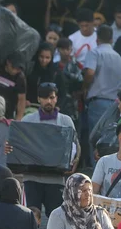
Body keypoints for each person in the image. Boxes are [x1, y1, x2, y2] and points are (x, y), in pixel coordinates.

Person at [21, 83, 80, 217]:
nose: (49, 101)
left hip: (56, 179)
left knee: (56, 219)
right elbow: (20, 146)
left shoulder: (66, 121)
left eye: (51, 97)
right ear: (38, 99)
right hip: (32, 178)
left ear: (56, 98)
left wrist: (74, 163)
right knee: (29, 218)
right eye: (45, 98)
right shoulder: (27, 120)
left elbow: (75, 146)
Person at [83, 24, 121, 150]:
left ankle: (96, 169)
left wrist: (85, 87)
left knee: (95, 139)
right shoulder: (118, 57)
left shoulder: (94, 53)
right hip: (115, 103)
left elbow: (89, 73)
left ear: (97, 38)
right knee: (110, 140)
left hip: (98, 102)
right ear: (112, 39)